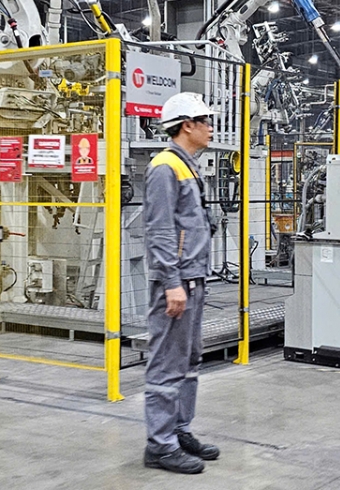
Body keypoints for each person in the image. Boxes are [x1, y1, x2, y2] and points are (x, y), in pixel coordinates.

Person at [141, 92, 221, 475]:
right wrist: (172, 281)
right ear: (187, 125)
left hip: (194, 277)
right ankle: (159, 445)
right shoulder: (164, 167)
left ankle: (178, 430)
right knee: (167, 364)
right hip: (176, 283)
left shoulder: (189, 166)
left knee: (189, 361)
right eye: (206, 120)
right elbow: (159, 230)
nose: (211, 127)